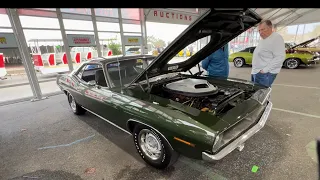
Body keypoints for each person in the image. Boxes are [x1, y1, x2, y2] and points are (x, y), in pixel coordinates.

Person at [251, 20, 285, 87]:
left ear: (270, 27)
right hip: (257, 72)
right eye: (259, 30)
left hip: (265, 73)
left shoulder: (276, 38)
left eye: (263, 29)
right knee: (256, 94)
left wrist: (264, 70)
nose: (260, 32)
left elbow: (280, 57)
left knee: (262, 94)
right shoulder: (264, 39)